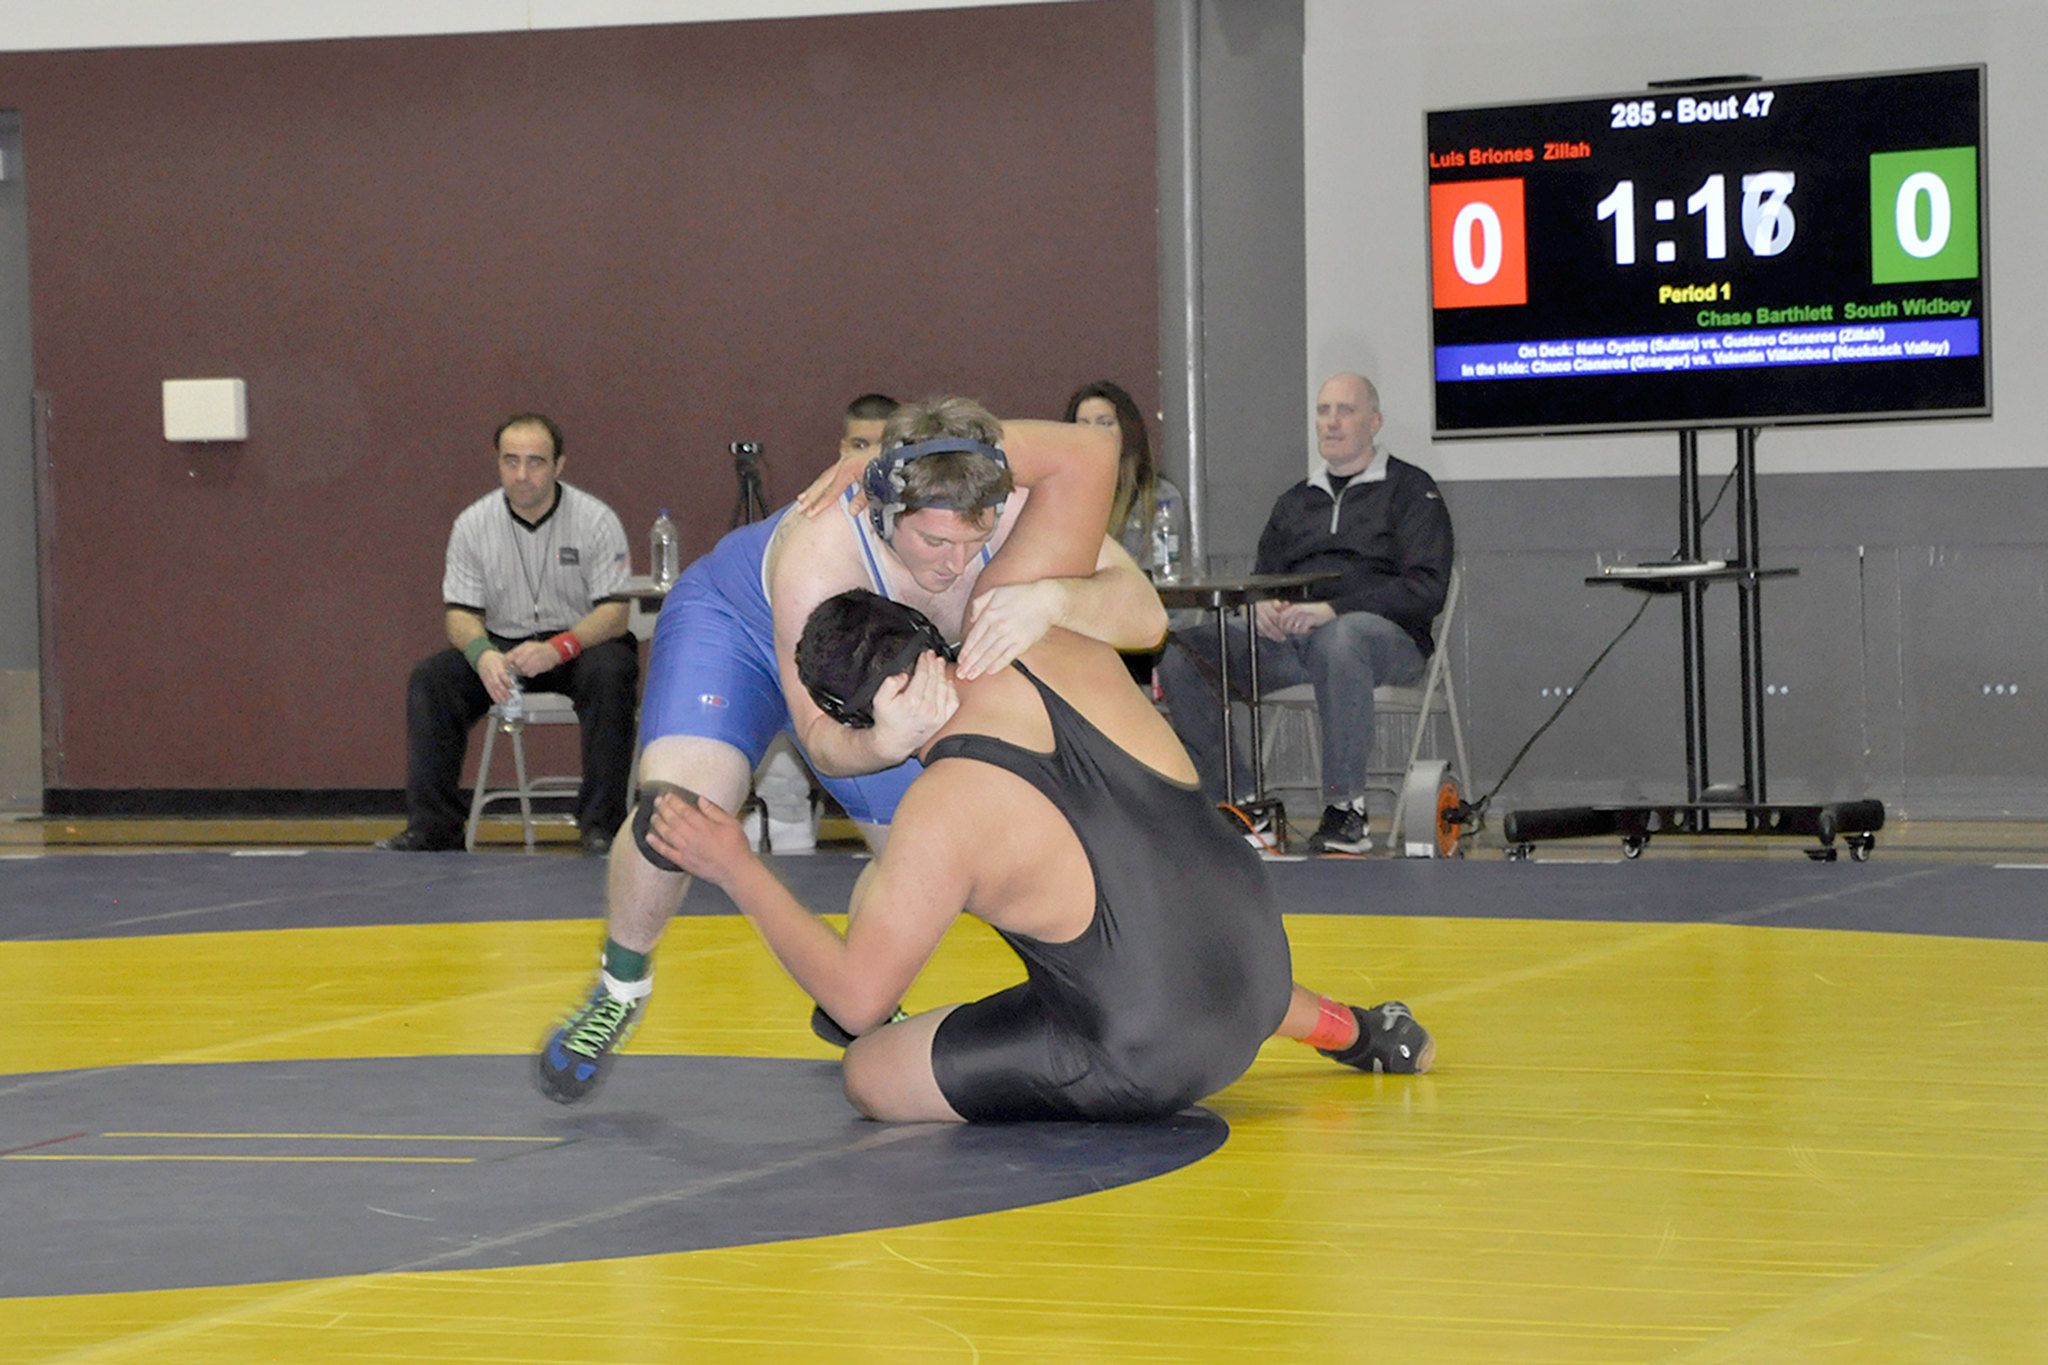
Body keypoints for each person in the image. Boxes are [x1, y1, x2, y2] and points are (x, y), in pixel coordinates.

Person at [535, 395, 1168, 1102]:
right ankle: (621, 982)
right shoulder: (822, 550)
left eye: (973, 539)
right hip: (740, 629)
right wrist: (885, 741)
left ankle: (852, 997)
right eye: (933, 543)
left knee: (924, 856)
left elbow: (1145, 615)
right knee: (675, 811)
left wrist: (1055, 599)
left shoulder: (1009, 505)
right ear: (883, 513)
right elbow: (820, 742)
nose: (955, 564)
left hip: (872, 674)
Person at [636, 587, 1433, 1122]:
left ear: (852, 719)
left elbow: (853, 998)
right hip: (1257, 961)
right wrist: (1050, 594)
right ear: (925, 634)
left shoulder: (942, 812)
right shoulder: (1056, 645)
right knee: (1156, 923)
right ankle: (1353, 1029)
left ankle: (1288, 1026)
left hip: (1154, 1050)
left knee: (869, 1068)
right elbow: (1137, 602)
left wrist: (735, 862)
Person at [1158, 373, 1453, 855]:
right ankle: (1243, 804)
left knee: (1341, 637)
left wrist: (1333, 609)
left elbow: (1426, 589)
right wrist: (1262, 609)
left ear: (1374, 421)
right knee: (1179, 651)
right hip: (1292, 645)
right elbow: (1262, 580)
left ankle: (1346, 811)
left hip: (1384, 644)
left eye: (1345, 410)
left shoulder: (1411, 491)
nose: (1331, 422)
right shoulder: (1294, 502)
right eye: (1323, 410)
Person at [379, 412, 637, 856]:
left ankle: (601, 826)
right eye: (510, 461)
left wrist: (559, 649)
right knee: (432, 680)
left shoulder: (596, 520)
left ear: (558, 466)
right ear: (497, 463)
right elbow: (459, 615)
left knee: (613, 670)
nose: (522, 474)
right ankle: (433, 827)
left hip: (576, 643)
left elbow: (615, 613)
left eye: (535, 462)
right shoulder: (472, 525)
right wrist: (482, 654)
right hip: (501, 643)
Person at [749, 393, 904, 853]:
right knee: (778, 680)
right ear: (841, 449)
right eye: (859, 445)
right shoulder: (812, 520)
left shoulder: (923, 521)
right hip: (818, 653)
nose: (868, 460)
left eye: (882, 449)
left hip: (886, 665)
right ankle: (787, 806)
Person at [1065, 379, 1186, 685]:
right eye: (1084, 424)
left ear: (1127, 432)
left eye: (1105, 423)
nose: (1093, 433)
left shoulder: (1159, 498)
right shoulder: (1063, 498)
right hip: (1077, 626)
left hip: (1136, 634)